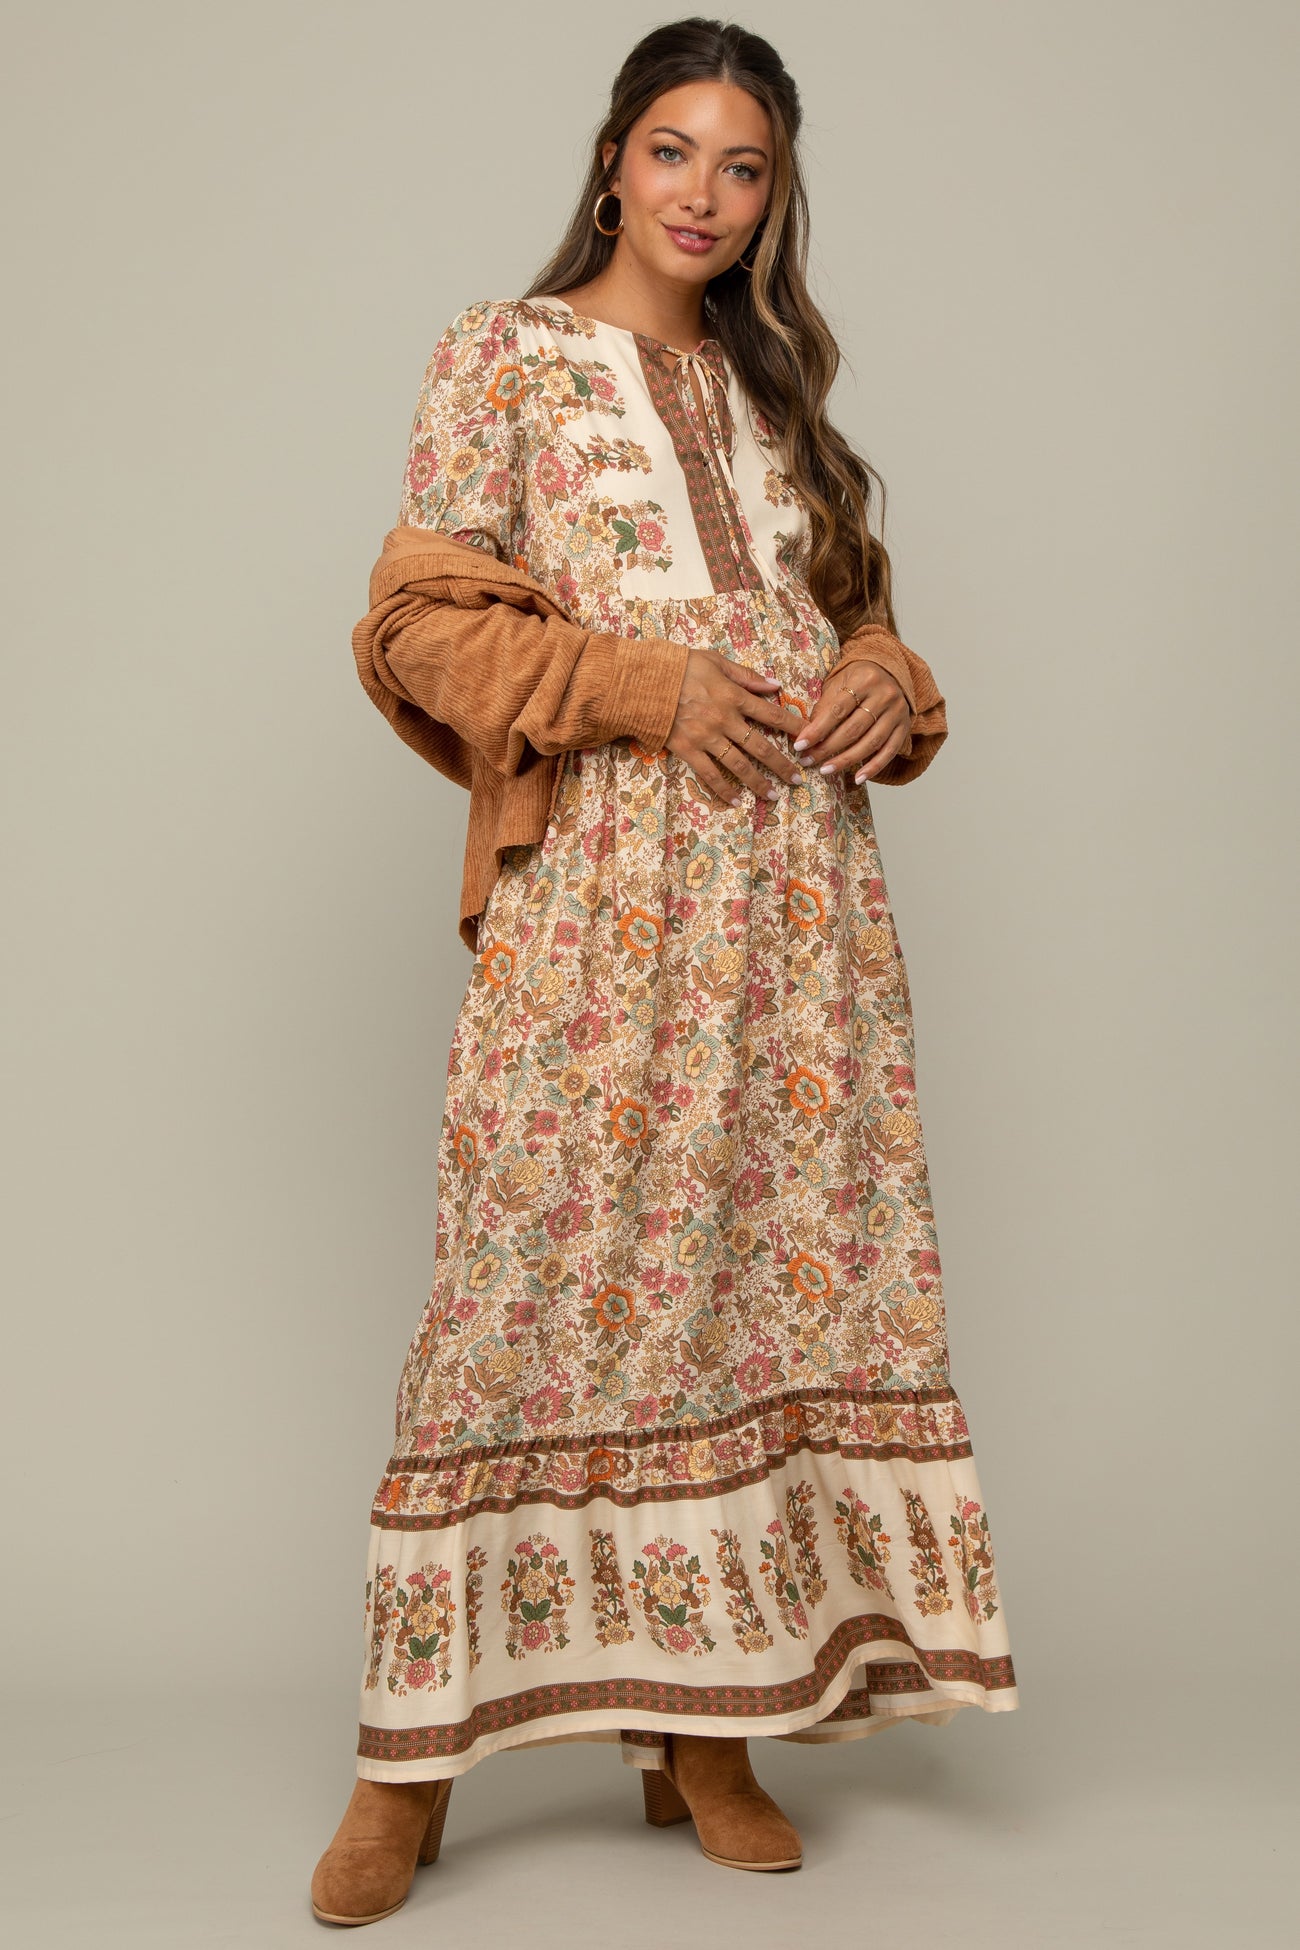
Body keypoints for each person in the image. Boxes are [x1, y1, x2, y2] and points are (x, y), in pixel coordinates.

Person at [311, 15, 1018, 1927]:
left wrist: (890, 678)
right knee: (520, 1286)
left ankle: (705, 1724)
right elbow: (417, 625)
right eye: (674, 151)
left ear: (775, 197)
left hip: (798, 914)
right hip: (609, 898)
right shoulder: (505, 354)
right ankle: (409, 1758)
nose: (706, 194)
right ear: (613, 161)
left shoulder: (779, 396)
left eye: (746, 166)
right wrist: (641, 685)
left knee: (741, 1299)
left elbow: (849, 619)